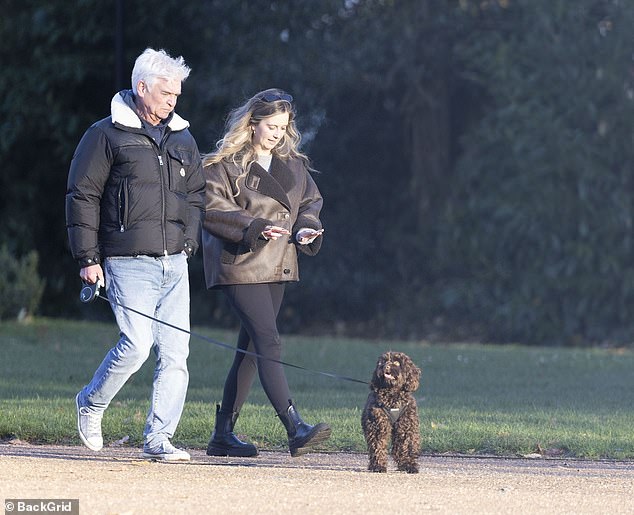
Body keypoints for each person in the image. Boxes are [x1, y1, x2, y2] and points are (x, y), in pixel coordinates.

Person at [66, 48, 205, 461]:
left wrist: (188, 243)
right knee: (137, 345)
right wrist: (87, 257)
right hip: (127, 261)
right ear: (141, 87)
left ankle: (159, 439)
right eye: (166, 94)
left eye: (177, 95)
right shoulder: (105, 134)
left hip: (174, 263)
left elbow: (196, 195)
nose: (172, 102)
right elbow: (82, 196)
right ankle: (90, 403)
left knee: (177, 354)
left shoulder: (182, 136)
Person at [201, 88, 331, 458]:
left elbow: (309, 202)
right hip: (241, 263)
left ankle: (222, 434)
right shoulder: (222, 165)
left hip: (278, 262)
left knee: (251, 349)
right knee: (269, 341)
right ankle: (295, 428)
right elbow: (212, 210)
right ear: (252, 123)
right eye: (271, 126)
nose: (277, 133)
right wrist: (254, 226)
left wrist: (307, 227)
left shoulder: (293, 165)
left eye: (283, 127)